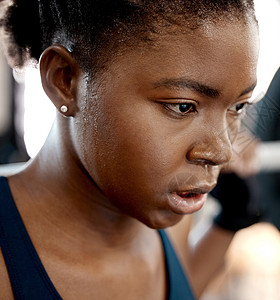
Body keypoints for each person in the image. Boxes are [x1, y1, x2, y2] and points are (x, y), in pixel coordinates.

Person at [0, 0, 261, 299]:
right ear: (65, 80)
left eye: (238, 106)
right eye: (183, 106)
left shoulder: (168, 218)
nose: (222, 151)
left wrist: (232, 220)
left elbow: (182, 288)